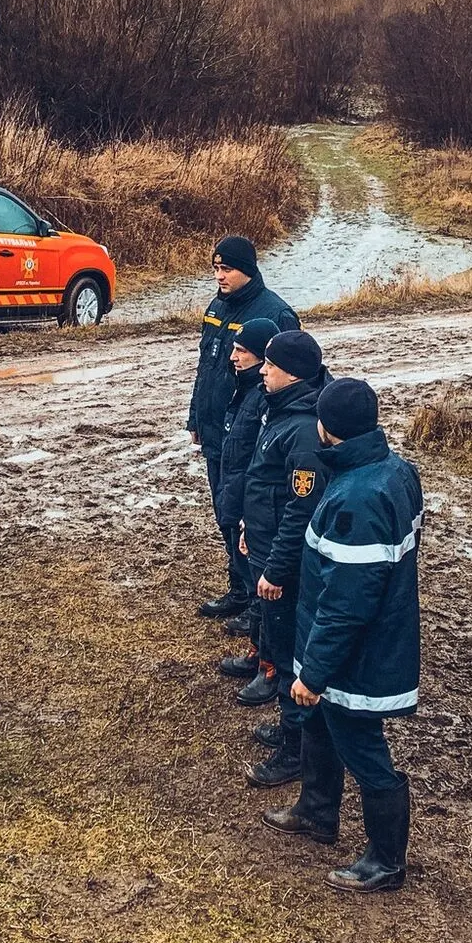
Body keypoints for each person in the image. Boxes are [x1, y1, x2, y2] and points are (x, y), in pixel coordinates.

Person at [262, 378, 422, 895]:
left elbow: (347, 603)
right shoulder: (395, 471)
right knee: (320, 723)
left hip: (357, 654)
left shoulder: (357, 499)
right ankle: (316, 811)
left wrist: (315, 671)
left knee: (362, 745)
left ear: (328, 428)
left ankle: (386, 860)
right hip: (351, 639)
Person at [187, 236, 299, 624]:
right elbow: (206, 369)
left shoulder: (276, 315)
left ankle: (258, 602)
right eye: (216, 269)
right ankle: (239, 588)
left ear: (247, 269)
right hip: (218, 432)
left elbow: (287, 382)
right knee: (225, 512)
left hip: (254, 438)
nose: (219, 276)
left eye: (226, 269)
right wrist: (196, 418)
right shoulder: (216, 308)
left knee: (254, 519)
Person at [239, 329, 330, 780]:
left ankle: (296, 752)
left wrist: (274, 567)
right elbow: (266, 484)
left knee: (290, 649)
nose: (263, 370)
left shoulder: (302, 429)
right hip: (264, 544)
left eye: (270, 365)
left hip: (284, 565)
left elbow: (299, 510)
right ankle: (289, 730)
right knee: (276, 640)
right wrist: (247, 530)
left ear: (291, 373)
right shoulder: (281, 411)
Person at [214, 317, 278, 680]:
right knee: (250, 577)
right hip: (236, 494)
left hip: (248, 503)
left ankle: (267, 663)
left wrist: (244, 514)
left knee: (261, 588)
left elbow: (259, 463)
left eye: (242, 351)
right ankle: (258, 650)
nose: (233, 357)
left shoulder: (263, 398)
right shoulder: (244, 388)